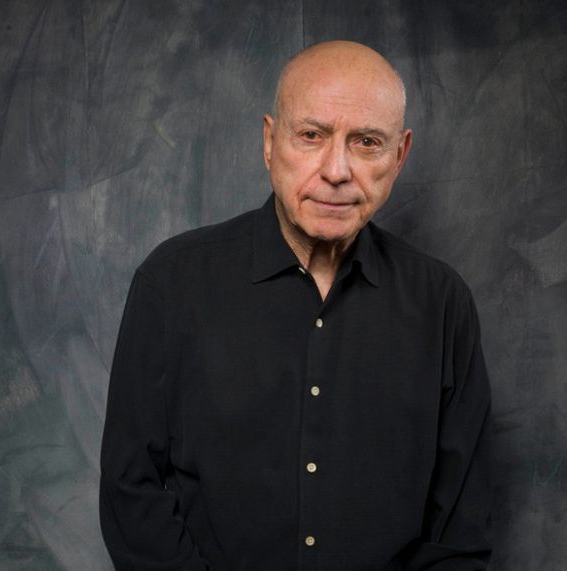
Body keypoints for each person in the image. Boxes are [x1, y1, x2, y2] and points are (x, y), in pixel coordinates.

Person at [99, 40, 493, 569]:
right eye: (311, 135)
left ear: (399, 156)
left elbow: (458, 530)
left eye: (366, 143)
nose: (336, 170)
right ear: (269, 141)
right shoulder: (172, 283)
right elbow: (132, 490)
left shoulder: (443, 303)